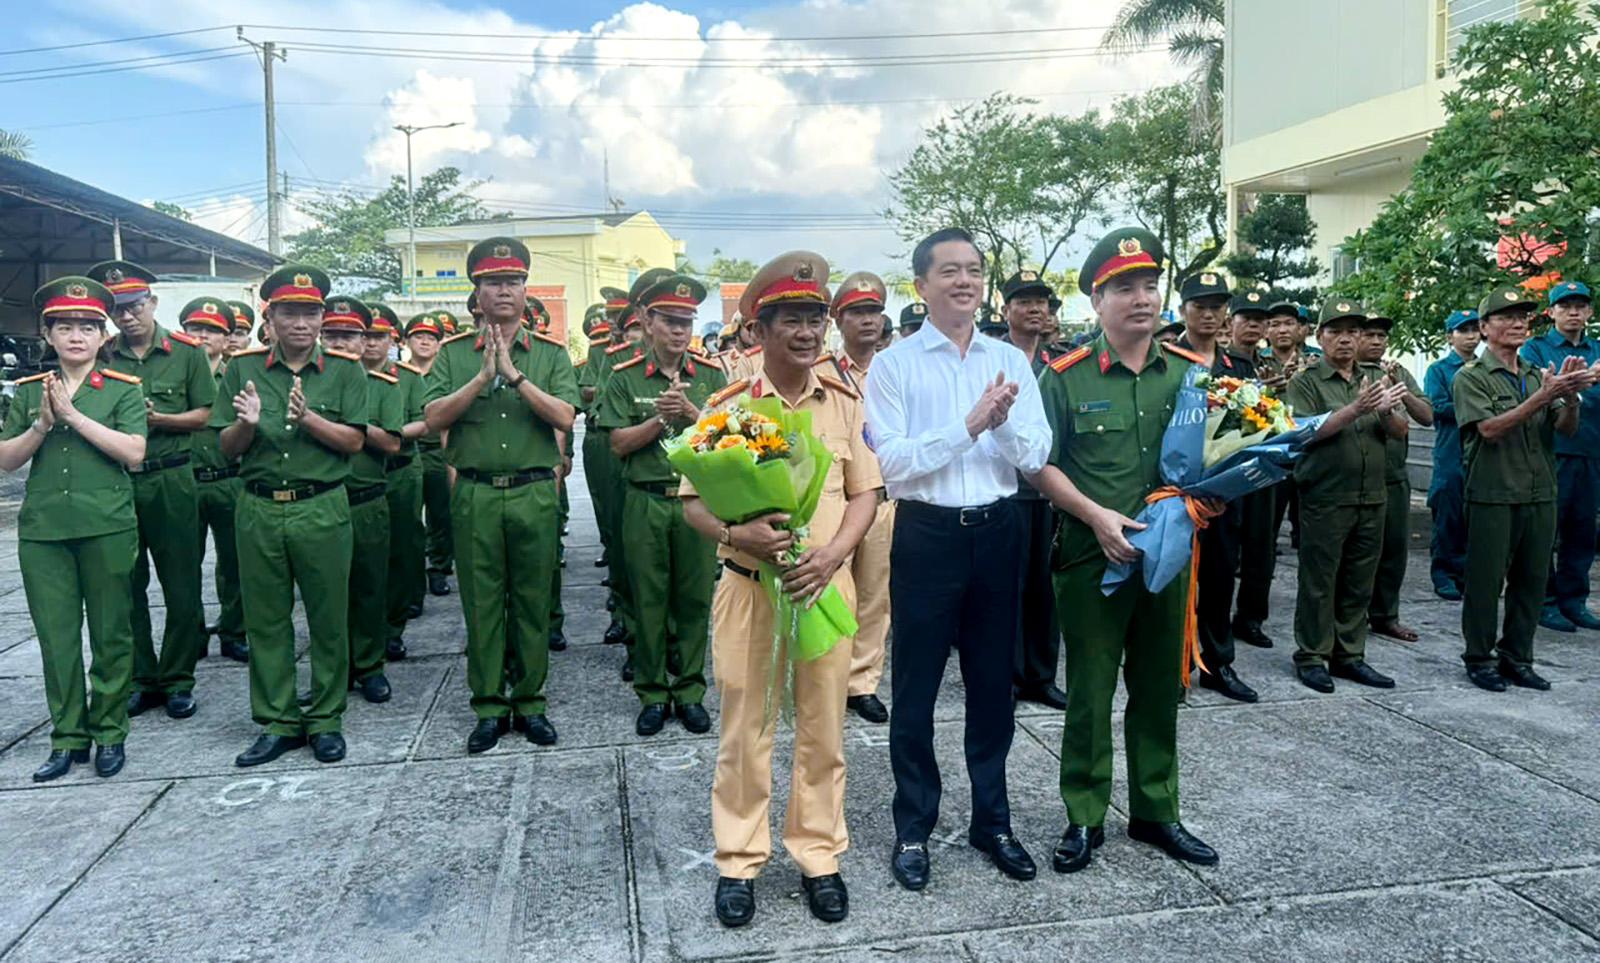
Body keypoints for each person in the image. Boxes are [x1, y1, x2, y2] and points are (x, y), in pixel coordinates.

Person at [683, 252, 883, 928]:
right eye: (790, 320)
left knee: (824, 729)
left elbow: (865, 494)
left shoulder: (845, 402)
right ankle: (739, 860)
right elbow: (692, 502)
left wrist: (832, 555)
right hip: (749, 592)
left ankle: (819, 856)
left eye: (813, 319)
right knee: (746, 730)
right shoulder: (731, 407)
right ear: (759, 330)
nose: (806, 332)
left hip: (824, 586)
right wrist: (737, 534)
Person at [864, 228, 1052, 891]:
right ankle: (914, 824)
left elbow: (1036, 453)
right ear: (922, 285)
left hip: (998, 532)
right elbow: (893, 463)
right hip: (927, 535)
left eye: (973, 269)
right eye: (949, 270)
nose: (964, 281)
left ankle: (992, 821)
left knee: (993, 686)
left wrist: (1001, 421)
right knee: (915, 689)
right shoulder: (893, 366)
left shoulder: (1008, 361)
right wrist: (969, 425)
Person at [1030, 228, 1217, 874]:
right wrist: (1095, 515)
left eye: (1149, 285)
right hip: (1092, 559)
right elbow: (1038, 465)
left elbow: (1213, 459)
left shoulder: (1190, 375)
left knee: (1161, 686)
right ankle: (1084, 813)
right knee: (1089, 691)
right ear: (1096, 300)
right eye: (1124, 288)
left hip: (1169, 561)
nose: (1142, 298)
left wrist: (1210, 499)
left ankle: (1156, 809)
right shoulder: (1065, 377)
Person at [424, 238, 578, 753]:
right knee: (482, 604)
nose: (504, 291)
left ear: (526, 290)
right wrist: (481, 378)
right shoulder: (452, 355)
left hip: (533, 491)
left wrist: (514, 375)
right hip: (476, 493)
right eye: (493, 282)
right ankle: (489, 706)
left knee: (532, 602)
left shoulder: (550, 355)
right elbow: (433, 417)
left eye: (513, 281)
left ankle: (530, 702)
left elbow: (564, 416)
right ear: (477, 293)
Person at [214, 265, 368, 767]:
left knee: (328, 616)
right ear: (271, 318)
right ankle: (278, 719)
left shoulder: (346, 370)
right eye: (289, 313)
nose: (301, 323)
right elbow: (226, 448)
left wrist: (309, 419)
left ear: (322, 318)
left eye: (310, 313)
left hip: (321, 505)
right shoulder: (242, 368)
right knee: (265, 619)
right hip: (259, 506)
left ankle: (325, 719)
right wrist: (246, 424)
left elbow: (354, 442)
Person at [1, 277, 147, 781]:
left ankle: (109, 731)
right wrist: (42, 424)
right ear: (48, 335)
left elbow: (134, 452)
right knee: (56, 638)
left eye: (87, 326)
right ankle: (67, 737)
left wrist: (73, 417)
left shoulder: (123, 389)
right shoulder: (30, 392)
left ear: (104, 336)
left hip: (106, 525)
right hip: (44, 531)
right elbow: (7, 459)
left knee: (111, 634)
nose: (77, 336)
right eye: (65, 327)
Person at [596, 272, 727, 736]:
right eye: (669, 320)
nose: (679, 331)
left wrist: (692, 415)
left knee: (694, 599)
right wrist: (660, 418)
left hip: (696, 502)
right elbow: (618, 444)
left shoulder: (711, 376)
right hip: (645, 500)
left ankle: (689, 691)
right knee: (647, 601)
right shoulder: (624, 376)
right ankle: (652, 693)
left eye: (686, 322)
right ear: (647, 321)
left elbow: (728, 443)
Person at [90, 260, 215, 723]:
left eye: (135, 306)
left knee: (181, 582)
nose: (127, 316)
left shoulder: (186, 352)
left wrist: (159, 419)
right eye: (118, 309)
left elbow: (205, 414)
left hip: (171, 477)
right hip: (120, 479)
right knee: (125, 584)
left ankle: (178, 678)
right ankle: (142, 677)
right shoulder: (103, 354)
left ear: (153, 303)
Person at [1456, 285, 1592, 690]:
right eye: (1505, 317)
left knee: (1531, 582)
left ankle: (1517, 656)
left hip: (1540, 492)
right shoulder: (1471, 377)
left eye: (1522, 317)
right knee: (1485, 583)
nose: (1517, 323)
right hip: (1493, 492)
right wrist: (1544, 397)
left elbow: (1565, 429)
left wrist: (1570, 397)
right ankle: (1479, 658)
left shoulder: (1535, 374)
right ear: (1484, 327)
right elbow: (1489, 429)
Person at [1283, 300, 1410, 694]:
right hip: (1326, 494)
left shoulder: (1375, 377)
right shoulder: (1306, 381)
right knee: (1320, 580)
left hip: (1372, 495)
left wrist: (1385, 411)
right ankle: (1312, 655)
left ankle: (1349, 654)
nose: (1345, 339)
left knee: (1359, 580)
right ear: (1319, 336)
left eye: (1352, 331)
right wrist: (1357, 408)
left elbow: (1401, 431)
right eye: (1335, 331)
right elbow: (1305, 432)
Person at [1174, 279, 1261, 703]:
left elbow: (1256, 420)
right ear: (1183, 310)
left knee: (1220, 577)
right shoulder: (1165, 360)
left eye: (1217, 307)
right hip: (1177, 494)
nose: (1209, 315)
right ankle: (1174, 666)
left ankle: (1217, 662)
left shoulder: (1238, 366)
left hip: (1224, 493)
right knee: (1175, 582)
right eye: (1200, 306)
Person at [321, 297, 402, 705]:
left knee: (370, 587)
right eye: (331, 334)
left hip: (366, 500)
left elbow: (392, 443)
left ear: (363, 341)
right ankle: (332, 672)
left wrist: (351, 424)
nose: (340, 343)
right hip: (321, 500)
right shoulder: (308, 383)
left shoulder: (382, 386)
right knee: (325, 594)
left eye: (350, 335)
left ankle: (370, 665)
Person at [825, 271, 894, 724]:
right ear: (838, 320)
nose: (868, 321)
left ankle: (861, 682)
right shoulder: (821, 371)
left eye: (874, 312)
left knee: (874, 594)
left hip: (884, 497)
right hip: (836, 500)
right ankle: (827, 676)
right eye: (857, 312)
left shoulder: (895, 370)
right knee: (832, 590)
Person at [998, 269, 1068, 710]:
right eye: (1024, 301)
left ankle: (1041, 676)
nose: (1035, 309)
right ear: (1006, 310)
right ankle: (1005, 675)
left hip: (1051, 490)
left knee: (1046, 588)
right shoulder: (992, 359)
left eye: (1041, 301)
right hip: (1006, 490)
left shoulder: (1061, 363)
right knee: (1006, 587)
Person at [1518, 280, 1600, 632]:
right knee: (1544, 531)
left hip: (1591, 451)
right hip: (1551, 452)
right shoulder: (1535, 349)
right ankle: (1544, 601)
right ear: (1551, 312)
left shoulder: (1597, 348)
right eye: (1565, 306)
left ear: (1590, 312)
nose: (1573, 313)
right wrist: (1583, 381)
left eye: (1580, 306)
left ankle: (1574, 600)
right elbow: (1536, 391)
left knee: (1582, 531)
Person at [180, 298, 249, 664]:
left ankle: (234, 631)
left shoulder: (239, 375)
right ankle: (191, 634)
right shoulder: (174, 374)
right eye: (195, 328)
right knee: (183, 564)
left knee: (236, 561)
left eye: (212, 330)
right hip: (184, 479)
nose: (203, 336)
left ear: (226, 338)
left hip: (229, 478)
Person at [1360, 312, 1433, 642]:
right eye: (1369, 335)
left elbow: (1427, 416)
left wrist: (1401, 392)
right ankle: (1349, 616)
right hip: (1357, 477)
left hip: (1394, 475)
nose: (1377, 341)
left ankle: (1385, 615)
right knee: (1358, 554)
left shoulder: (1397, 371)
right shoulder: (1346, 372)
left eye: (1381, 336)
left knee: (1393, 551)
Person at [369, 304, 429, 661]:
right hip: (359, 473)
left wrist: (388, 435)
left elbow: (424, 421)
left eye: (379, 337)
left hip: (400, 468)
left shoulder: (407, 377)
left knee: (403, 546)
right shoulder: (342, 375)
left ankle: (394, 626)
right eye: (366, 336)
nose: (372, 344)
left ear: (392, 340)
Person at [1227, 300, 1280, 650]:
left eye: (1261, 321)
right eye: (1247, 319)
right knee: (1224, 548)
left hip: (1266, 466)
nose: (1254, 326)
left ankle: (1250, 618)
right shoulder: (1219, 361)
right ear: (1231, 322)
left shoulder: (1271, 365)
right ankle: (1211, 618)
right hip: (1229, 466)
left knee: (1262, 546)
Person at [1423, 309, 1480, 600]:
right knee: (1448, 514)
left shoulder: (1485, 367)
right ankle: (1443, 573)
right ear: (1449, 337)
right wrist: (1479, 410)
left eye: (1474, 329)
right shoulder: (1439, 370)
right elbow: (1437, 406)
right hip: (1451, 450)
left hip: (1481, 451)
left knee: (1476, 516)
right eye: (1463, 331)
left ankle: (1468, 572)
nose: (1471, 336)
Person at [404, 312, 453, 599]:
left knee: (440, 514)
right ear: (407, 341)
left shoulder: (446, 374)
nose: (424, 342)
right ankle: (412, 579)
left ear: (439, 344)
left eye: (431, 338)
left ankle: (439, 568)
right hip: (407, 453)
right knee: (409, 519)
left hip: (438, 452)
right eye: (418, 336)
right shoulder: (396, 374)